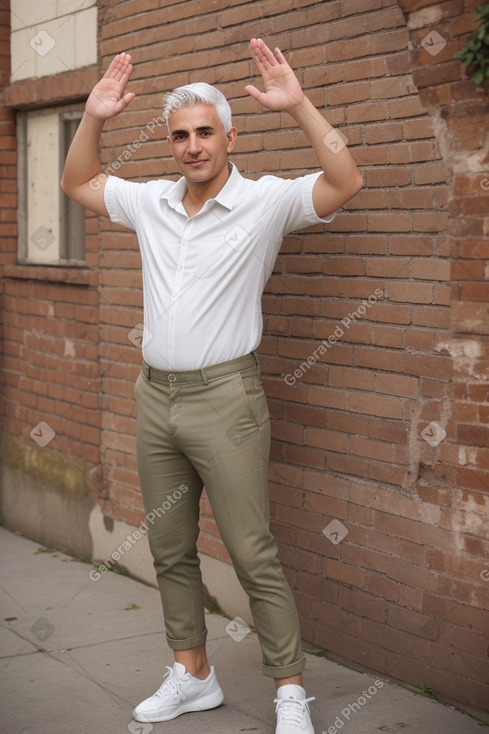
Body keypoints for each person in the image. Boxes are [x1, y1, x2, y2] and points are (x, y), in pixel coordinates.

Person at [61, 37, 362, 734]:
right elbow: (79, 183)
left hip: (226, 401)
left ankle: (289, 689)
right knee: (168, 549)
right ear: (170, 145)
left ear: (229, 136)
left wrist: (300, 105)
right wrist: (94, 116)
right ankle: (192, 674)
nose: (192, 146)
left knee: (252, 553)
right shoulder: (150, 204)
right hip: (155, 397)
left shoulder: (266, 203)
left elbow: (344, 181)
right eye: (179, 136)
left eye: (204, 132)